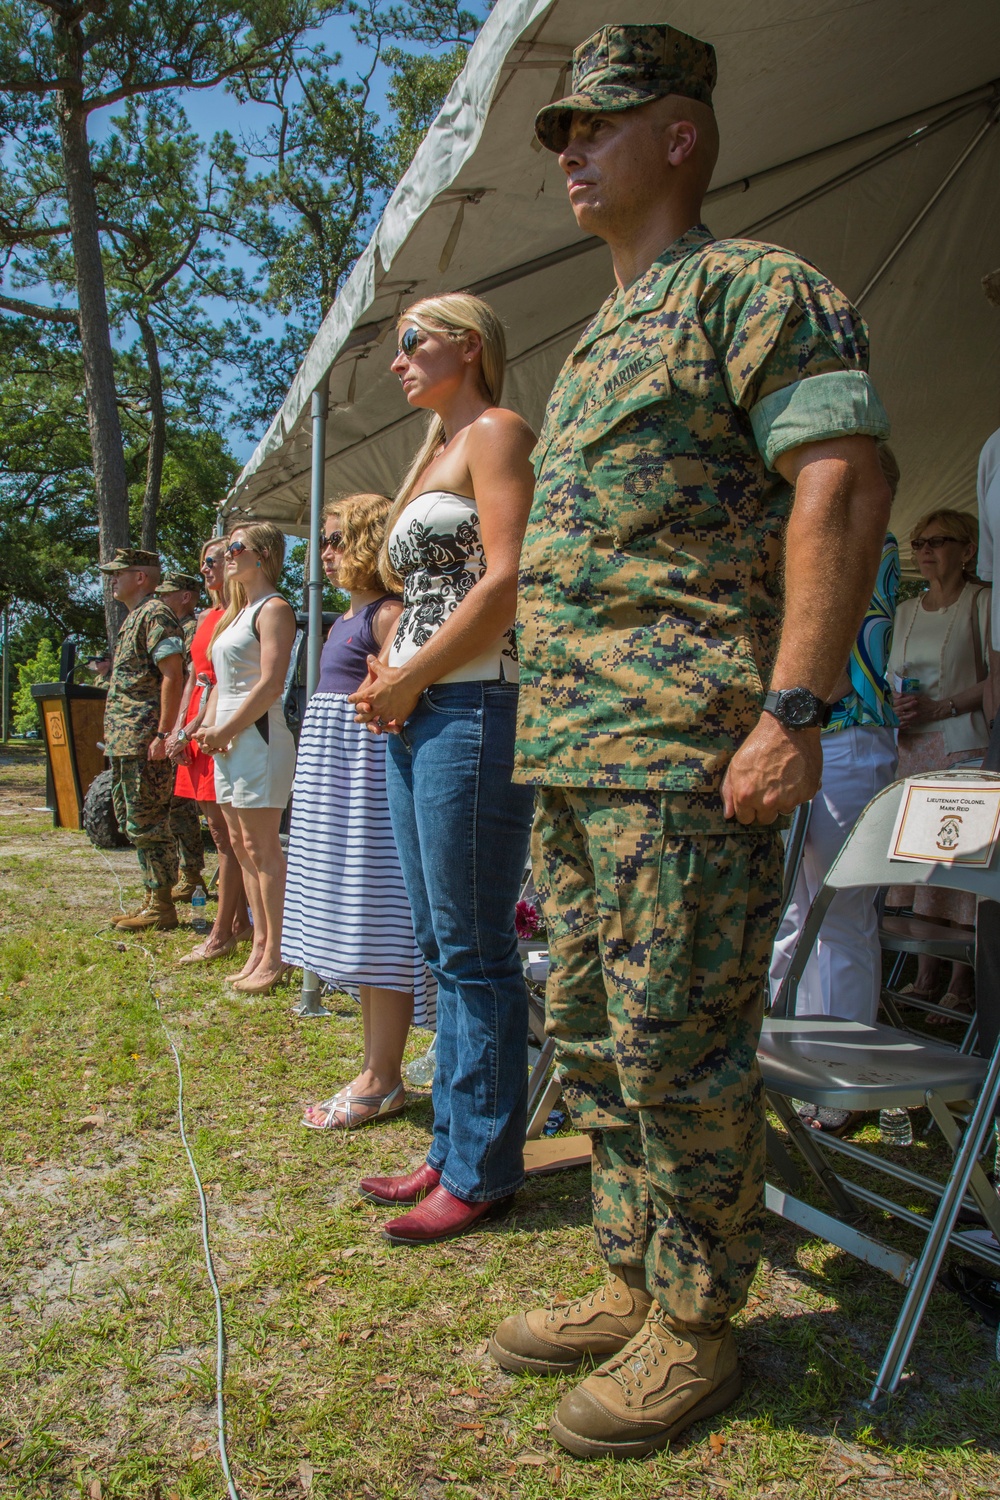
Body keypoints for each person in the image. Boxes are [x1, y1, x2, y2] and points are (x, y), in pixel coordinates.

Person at [488, 24, 892, 1459]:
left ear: (682, 135)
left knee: (682, 1047)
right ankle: (631, 1275)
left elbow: (840, 481)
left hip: (688, 746)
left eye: (598, 123)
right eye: (560, 133)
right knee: (594, 1036)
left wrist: (795, 709)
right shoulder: (600, 335)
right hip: (582, 748)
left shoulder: (757, 289)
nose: (571, 151)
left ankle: (700, 1326)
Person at [347, 292, 536, 1243]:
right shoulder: (431, 452)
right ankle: (452, 1144)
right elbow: (425, 594)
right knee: (438, 946)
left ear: (469, 345)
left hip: (474, 707)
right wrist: (390, 672)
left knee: (474, 949)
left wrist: (410, 677)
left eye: (411, 341)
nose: (398, 360)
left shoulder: (497, 431)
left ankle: (484, 1168)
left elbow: (505, 582)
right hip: (424, 704)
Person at [283, 494, 436, 1128]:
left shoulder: (388, 614)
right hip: (332, 788)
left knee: (379, 918)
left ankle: (383, 1074)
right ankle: (377, 1068)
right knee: (354, 922)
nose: (326, 551)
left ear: (372, 541)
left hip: (367, 790)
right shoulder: (342, 620)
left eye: (339, 539)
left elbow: (399, 695)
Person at [770, 451, 901, 1036]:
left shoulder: (874, 545)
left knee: (841, 912)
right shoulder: (809, 545)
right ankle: (786, 1044)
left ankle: (840, 1065)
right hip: (805, 734)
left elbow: (845, 656)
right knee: (796, 909)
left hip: (848, 735)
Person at [886, 508, 991, 1017]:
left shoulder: (983, 602)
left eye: (938, 541)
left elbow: (996, 679)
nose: (925, 551)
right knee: (922, 867)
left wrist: (943, 707)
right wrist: (899, 707)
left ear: (968, 550)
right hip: (912, 746)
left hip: (961, 744)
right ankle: (925, 975)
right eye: (919, 542)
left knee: (958, 864)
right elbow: (892, 675)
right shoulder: (906, 610)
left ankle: (962, 981)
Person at [195, 523, 297, 995]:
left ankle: (276, 954)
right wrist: (204, 728)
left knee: (263, 849)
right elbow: (220, 684)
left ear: (263, 556)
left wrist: (226, 730)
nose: (228, 555)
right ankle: (257, 945)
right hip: (230, 743)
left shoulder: (274, 608)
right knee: (240, 846)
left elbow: (271, 684)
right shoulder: (234, 614)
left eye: (237, 548)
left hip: (258, 740)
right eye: (229, 547)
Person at [167, 540, 252, 965]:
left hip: (223, 726)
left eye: (212, 560)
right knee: (218, 832)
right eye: (202, 561)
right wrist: (180, 727)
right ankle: (236, 921)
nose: (205, 568)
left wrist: (200, 728)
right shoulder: (204, 618)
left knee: (230, 834)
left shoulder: (242, 616)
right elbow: (192, 678)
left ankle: (226, 931)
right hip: (198, 725)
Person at [99, 548, 185, 931]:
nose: (111, 579)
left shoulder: (155, 614)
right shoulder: (134, 618)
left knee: (150, 822)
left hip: (144, 738)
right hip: (125, 740)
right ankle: (152, 897)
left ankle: (163, 905)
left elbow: (173, 675)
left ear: (141, 577)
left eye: (119, 572)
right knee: (133, 820)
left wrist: (164, 733)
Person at [155, 571, 206, 902]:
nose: (161, 599)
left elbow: (191, 679)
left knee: (183, 807)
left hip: (191, 725)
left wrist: (179, 731)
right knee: (178, 805)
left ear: (185, 596)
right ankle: (190, 875)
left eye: (167, 593)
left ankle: (192, 876)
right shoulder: (179, 628)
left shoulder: (194, 628)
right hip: (182, 727)